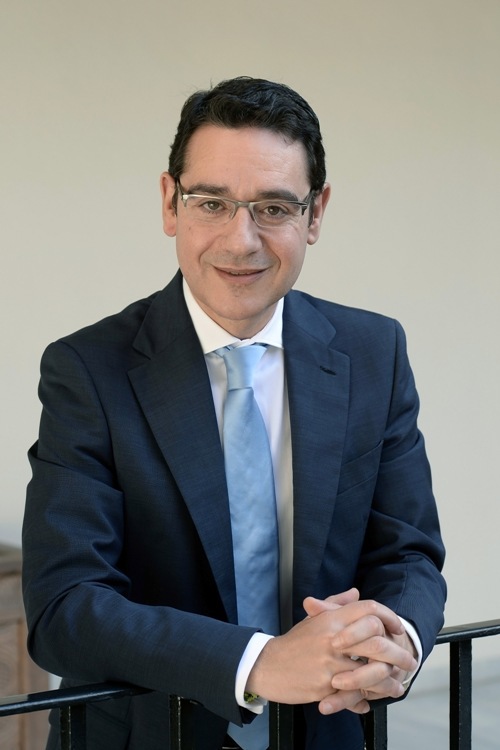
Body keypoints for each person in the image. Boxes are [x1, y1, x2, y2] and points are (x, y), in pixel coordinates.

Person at [22, 76, 446, 750]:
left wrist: (395, 639)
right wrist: (260, 663)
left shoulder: (374, 351)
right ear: (170, 203)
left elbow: (409, 553)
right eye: (212, 203)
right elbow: (65, 606)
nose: (241, 239)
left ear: (315, 213)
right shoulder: (87, 370)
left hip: (328, 730)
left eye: (274, 207)